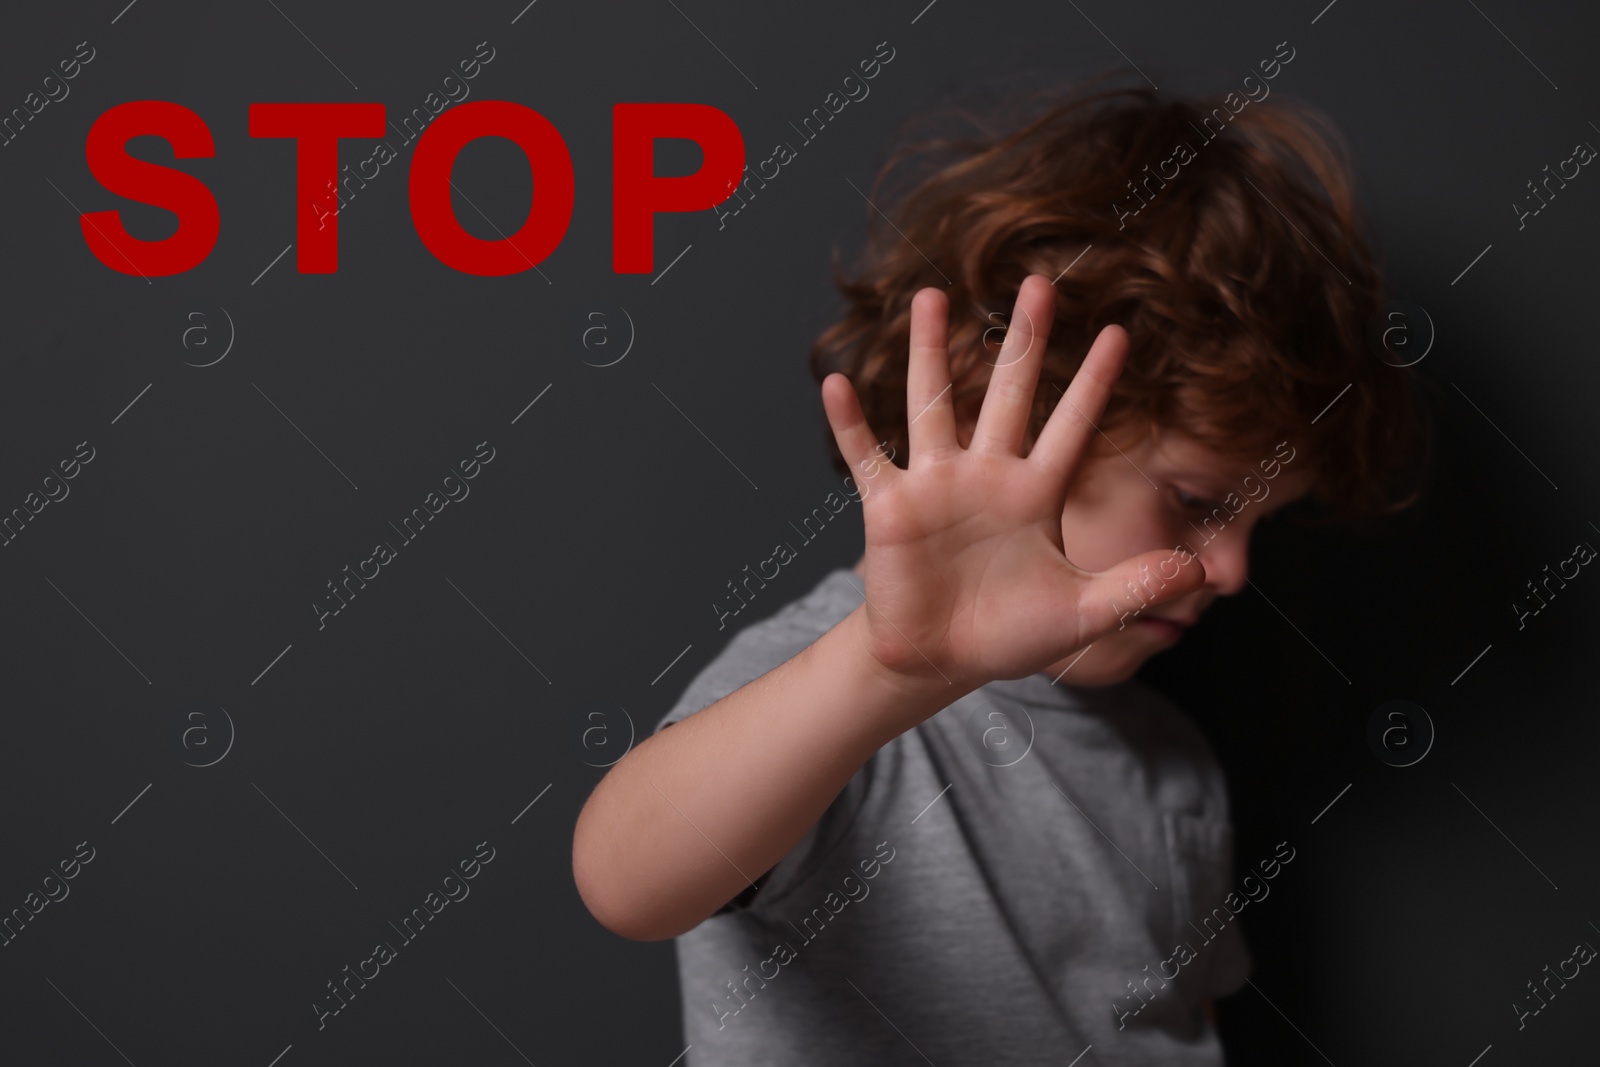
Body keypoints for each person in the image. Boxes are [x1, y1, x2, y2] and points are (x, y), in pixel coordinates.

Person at [571, 80, 1431, 1065]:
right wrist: (888, 672)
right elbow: (626, 879)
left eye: (1260, 526)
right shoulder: (830, 694)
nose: (1232, 570)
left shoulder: (1170, 758)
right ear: (1007, 415)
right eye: (1197, 502)